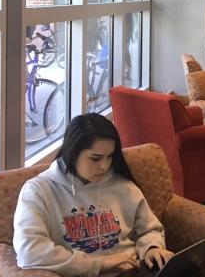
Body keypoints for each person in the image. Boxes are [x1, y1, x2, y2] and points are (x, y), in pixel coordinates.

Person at [13, 113, 175, 276]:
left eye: (110, 156)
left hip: (134, 270)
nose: (104, 166)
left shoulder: (122, 185)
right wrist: (99, 264)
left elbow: (149, 229)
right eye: (95, 158)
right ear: (72, 152)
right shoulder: (38, 191)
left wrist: (152, 248)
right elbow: (30, 250)